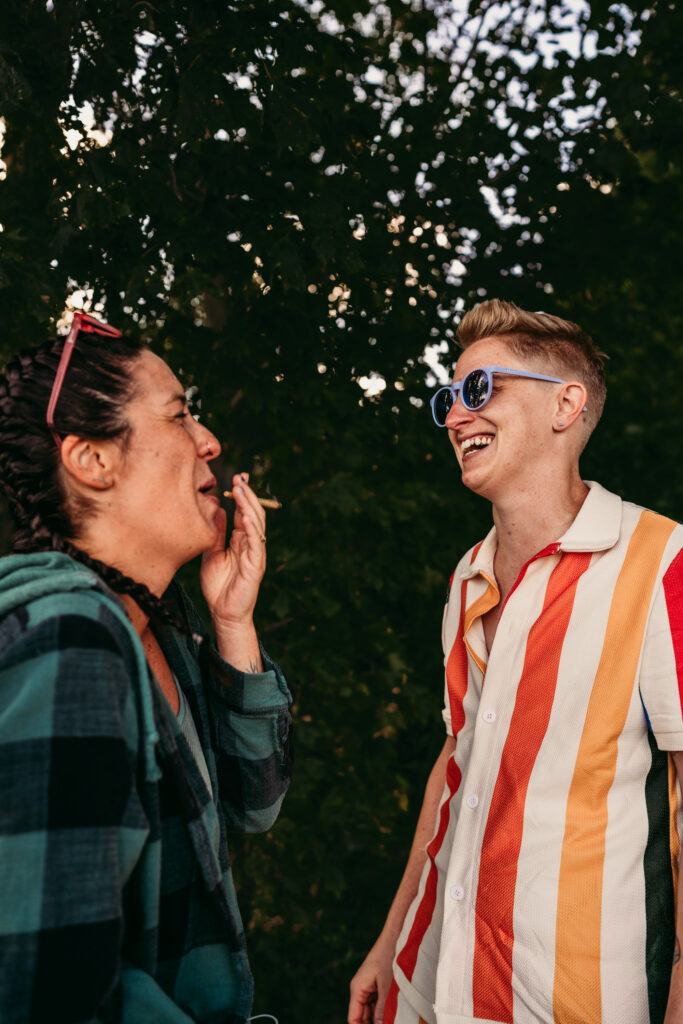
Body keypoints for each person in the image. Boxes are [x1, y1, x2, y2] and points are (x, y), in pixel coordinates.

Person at [349, 299, 683, 1024]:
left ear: (565, 404)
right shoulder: (466, 576)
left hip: (571, 1003)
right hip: (429, 983)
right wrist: (389, 939)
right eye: (448, 398)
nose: (454, 416)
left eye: (480, 389)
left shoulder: (661, 562)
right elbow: (456, 760)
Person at [0, 312, 293, 1023]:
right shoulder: (69, 637)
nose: (208, 442)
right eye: (179, 415)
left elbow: (254, 806)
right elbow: (47, 983)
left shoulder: (155, 638)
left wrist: (231, 621)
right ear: (92, 461)